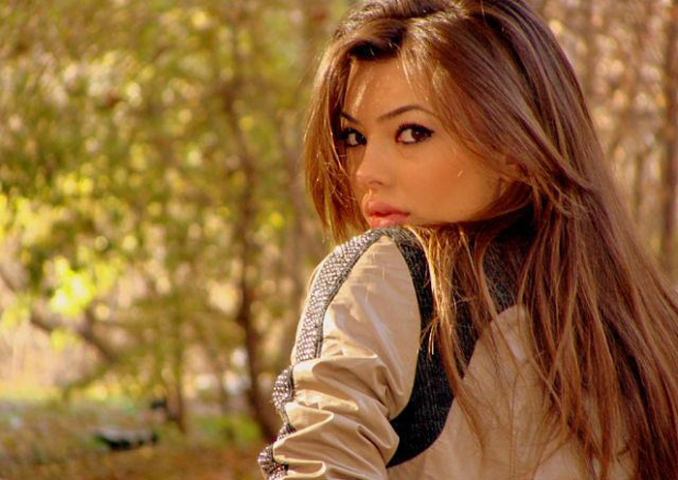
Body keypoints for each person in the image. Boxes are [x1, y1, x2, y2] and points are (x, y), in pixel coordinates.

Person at [258, 1, 678, 479]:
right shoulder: (654, 324)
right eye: (353, 137)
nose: (365, 172)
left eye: (412, 133)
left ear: (516, 146)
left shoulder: (386, 278)